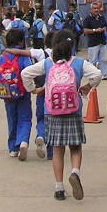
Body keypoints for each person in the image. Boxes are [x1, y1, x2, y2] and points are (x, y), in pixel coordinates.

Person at [20, 31, 101, 201]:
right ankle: (75, 172)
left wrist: (33, 89)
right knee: (75, 147)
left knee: (57, 150)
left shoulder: (48, 63)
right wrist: (87, 87)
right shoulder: (79, 63)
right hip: (74, 111)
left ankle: (59, 187)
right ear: (72, 46)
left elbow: (25, 73)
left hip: (52, 112)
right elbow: (97, 74)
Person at [0, 28, 34, 159]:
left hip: (7, 93)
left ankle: (13, 148)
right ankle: (23, 141)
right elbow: (29, 72)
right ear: (22, 42)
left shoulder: (2, 57)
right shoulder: (24, 57)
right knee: (25, 118)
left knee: (12, 119)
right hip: (22, 92)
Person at [81, 3, 107, 80]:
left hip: (102, 42)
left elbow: (105, 26)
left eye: (97, 8)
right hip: (93, 43)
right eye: (94, 8)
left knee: (103, 60)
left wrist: (104, 29)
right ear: (91, 9)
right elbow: (85, 30)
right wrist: (95, 30)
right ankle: (92, 76)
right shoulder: (87, 19)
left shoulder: (101, 17)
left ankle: (104, 75)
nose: (96, 10)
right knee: (92, 61)